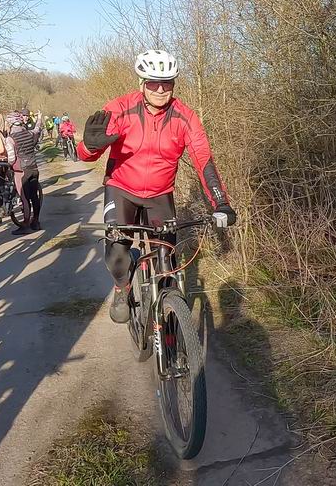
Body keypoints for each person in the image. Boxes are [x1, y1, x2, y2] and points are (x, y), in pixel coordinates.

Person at [78, 50, 237, 323]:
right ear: (142, 83)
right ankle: (122, 287)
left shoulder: (184, 116)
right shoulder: (119, 109)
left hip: (160, 195)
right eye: (153, 83)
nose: (161, 89)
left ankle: (171, 328)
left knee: (168, 263)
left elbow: (204, 159)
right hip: (121, 189)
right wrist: (89, 147)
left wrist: (220, 202)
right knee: (117, 253)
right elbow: (86, 154)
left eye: (168, 83)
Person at [5, 111, 44, 233]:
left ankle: (25, 225)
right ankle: (36, 221)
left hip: (21, 171)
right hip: (34, 168)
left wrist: (8, 165)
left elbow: (11, 158)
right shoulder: (29, 133)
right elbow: (37, 130)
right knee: (34, 197)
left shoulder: (10, 139)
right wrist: (39, 118)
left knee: (24, 198)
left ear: (11, 124)